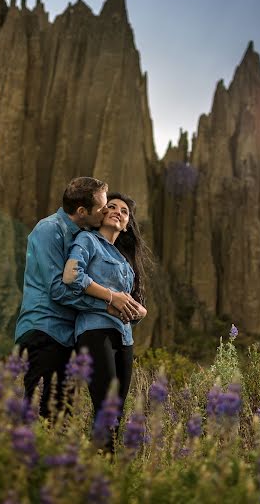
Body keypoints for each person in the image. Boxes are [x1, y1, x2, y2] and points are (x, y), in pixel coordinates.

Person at [15, 178, 140, 418]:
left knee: (60, 415)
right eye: (104, 207)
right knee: (39, 411)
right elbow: (58, 289)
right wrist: (109, 302)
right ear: (83, 212)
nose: (107, 211)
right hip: (44, 328)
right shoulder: (49, 230)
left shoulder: (81, 235)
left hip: (67, 335)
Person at [63, 191, 150, 446]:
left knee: (116, 412)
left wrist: (140, 312)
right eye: (111, 207)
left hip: (124, 337)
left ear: (126, 226)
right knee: (106, 406)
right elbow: (71, 276)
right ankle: (99, 471)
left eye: (124, 212)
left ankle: (103, 467)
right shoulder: (87, 240)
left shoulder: (125, 260)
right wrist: (112, 297)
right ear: (101, 214)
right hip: (94, 331)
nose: (117, 212)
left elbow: (133, 302)